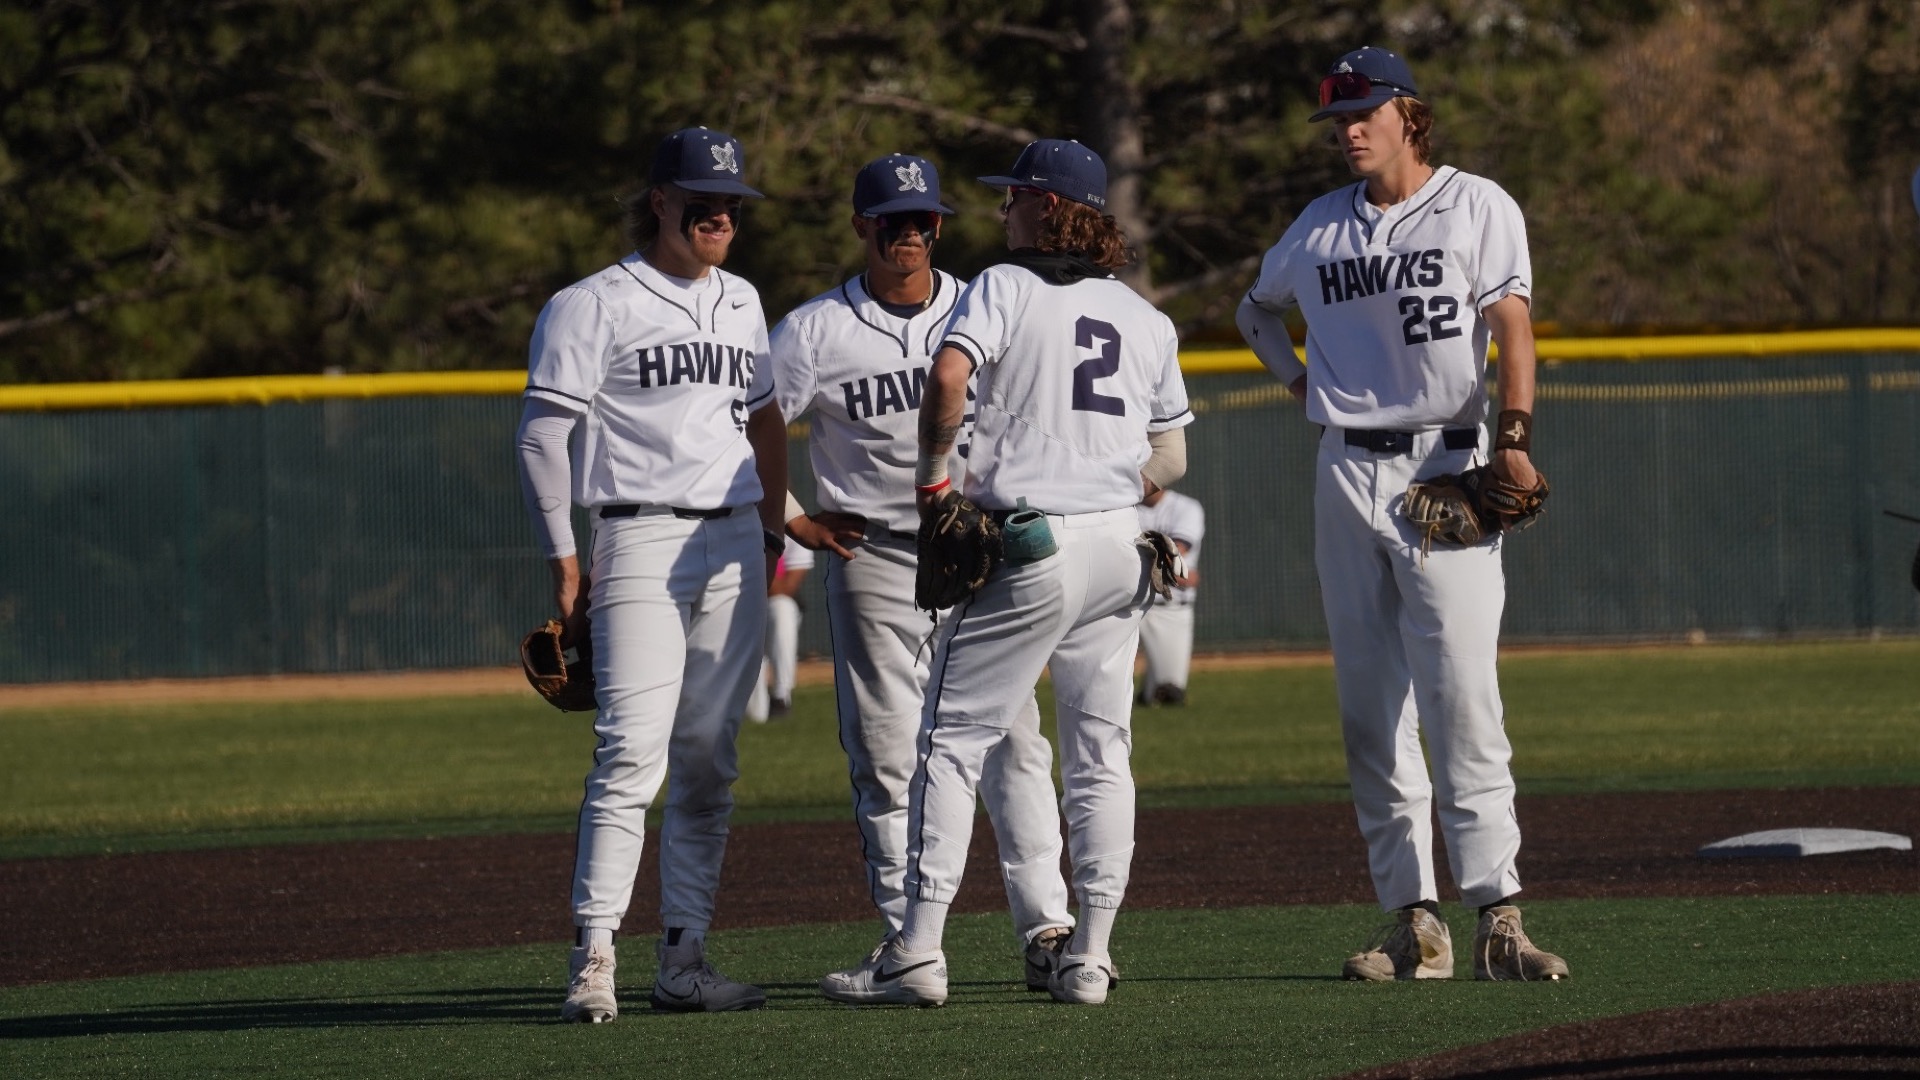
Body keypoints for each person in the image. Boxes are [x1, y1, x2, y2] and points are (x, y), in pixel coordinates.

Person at [1236, 47, 1568, 982]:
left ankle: (1499, 914)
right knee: (1370, 706)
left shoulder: (1475, 204)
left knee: (1462, 693)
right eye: (1336, 119)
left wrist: (1513, 436)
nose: (1347, 130)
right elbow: (1254, 311)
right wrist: (1298, 383)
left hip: (1450, 466)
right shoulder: (1318, 227)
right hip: (1346, 469)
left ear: (1408, 114)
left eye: (1364, 113)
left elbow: (1511, 325)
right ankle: (1412, 922)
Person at [849, 138, 1191, 1007]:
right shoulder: (1148, 318)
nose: (1002, 210)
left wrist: (932, 481)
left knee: (952, 744)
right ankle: (1091, 956)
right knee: (1101, 751)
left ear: (1046, 207)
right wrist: (1113, 485)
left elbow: (950, 372)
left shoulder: (1004, 287)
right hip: (1123, 547)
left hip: (1035, 543)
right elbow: (1173, 453)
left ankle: (918, 952)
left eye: (1013, 198)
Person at [769, 153, 1075, 1000]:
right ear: (861, 226)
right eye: (891, 219)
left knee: (1015, 744)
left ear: (941, 225)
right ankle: (913, 943)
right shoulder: (814, 330)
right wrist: (793, 517)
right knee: (887, 752)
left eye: (922, 219)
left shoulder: (986, 303)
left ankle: (1048, 928)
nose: (908, 232)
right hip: (873, 553)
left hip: (977, 552)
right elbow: (749, 423)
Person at [516, 126, 790, 1021]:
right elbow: (542, 436)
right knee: (629, 751)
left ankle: (684, 959)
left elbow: (765, 422)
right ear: (660, 201)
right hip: (636, 538)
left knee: (709, 758)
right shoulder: (592, 303)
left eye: (731, 204)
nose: (720, 216)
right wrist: (565, 559)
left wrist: (771, 534)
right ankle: (595, 956)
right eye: (702, 201)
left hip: (734, 539)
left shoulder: (745, 301)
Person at [1134, 487, 1205, 706]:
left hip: (1169, 608)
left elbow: (1174, 552)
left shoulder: (1185, 507)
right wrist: (1173, 572)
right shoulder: (1121, 507)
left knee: (1168, 693)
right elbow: (1172, 566)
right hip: (1126, 603)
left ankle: (1147, 694)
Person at [744, 535, 813, 722]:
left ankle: (781, 696)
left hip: (771, 606)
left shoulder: (794, 527)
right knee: (754, 715)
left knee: (783, 607)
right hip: (739, 612)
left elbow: (787, 587)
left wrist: (754, 574)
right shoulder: (734, 519)